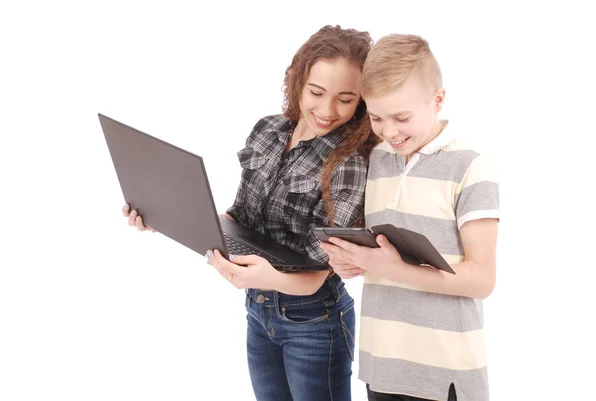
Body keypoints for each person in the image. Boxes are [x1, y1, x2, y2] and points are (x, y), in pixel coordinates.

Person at [124, 25, 377, 401]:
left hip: (313, 320)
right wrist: (165, 214)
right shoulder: (268, 130)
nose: (326, 110)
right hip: (258, 311)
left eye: (345, 98)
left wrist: (269, 277)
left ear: (363, 100)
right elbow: (240, 218)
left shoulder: (349, 162)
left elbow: (318, 273)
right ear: (298, 81)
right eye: (316, 92)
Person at [320, 34, 500, 401]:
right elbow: (376, 251)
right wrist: (348, 260)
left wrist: (392, 269)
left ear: (438, 100)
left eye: (402, 118)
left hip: (443, 374)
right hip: (382, 366)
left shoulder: (470, 166)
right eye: (376, 118)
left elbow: (482, 279)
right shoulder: (377, 159)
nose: (389, 131)